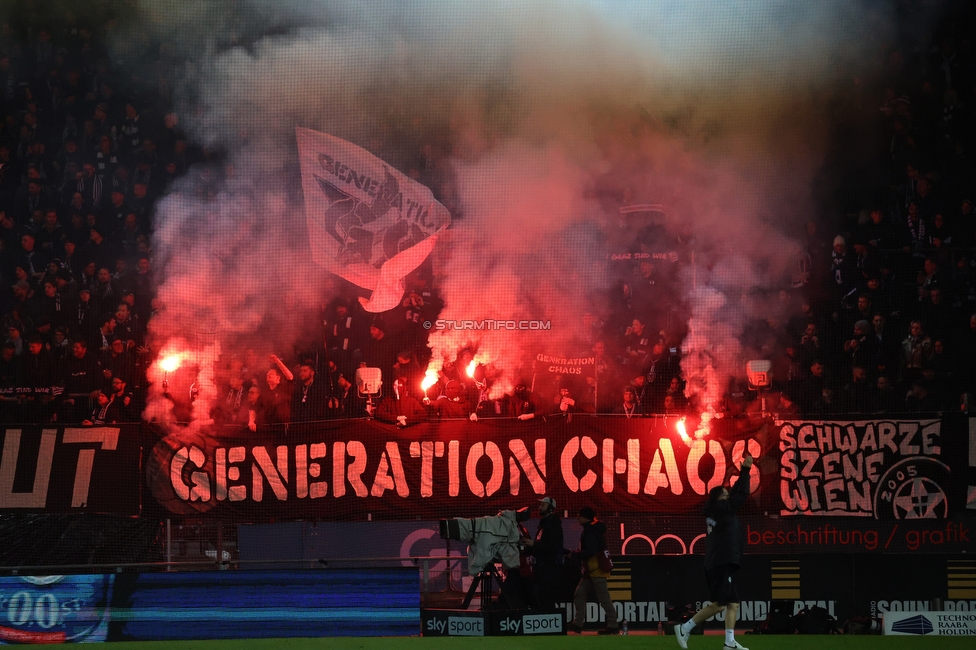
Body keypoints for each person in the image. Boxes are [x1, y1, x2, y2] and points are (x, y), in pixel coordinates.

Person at [674, 452, 755, 650]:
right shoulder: (722, 509)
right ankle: (686, 627)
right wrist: (745, 470)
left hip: (721, 561)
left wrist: (741, 471)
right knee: (720, 604)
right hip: (721, 562)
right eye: (725, 494)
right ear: (720, 498)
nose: (729, 496)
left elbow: (735, 493)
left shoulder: (718, 509)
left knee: (733, 603)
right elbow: (741, 494)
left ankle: (729, 642)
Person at [568, 506, 618, 635]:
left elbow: (590, 552)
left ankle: (613, 625)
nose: (577, 517)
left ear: (585, 517)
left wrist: (575, 555)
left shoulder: (590, 531)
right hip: (591, 570)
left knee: (603, 598)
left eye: (579, 515)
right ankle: (577, 624)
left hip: (596, 569)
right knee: (579, 594)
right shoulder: (593, 529)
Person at [520, 496, 563, 610]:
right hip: (541, 568)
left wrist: (533, 544)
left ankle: (549, 623)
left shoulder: (553, 524)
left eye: (543, 505)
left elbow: (552, 546)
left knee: (546, 598)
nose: (540, 507)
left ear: (550, 509)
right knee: (541, 597)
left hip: (549, 569)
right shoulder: (544, 524)